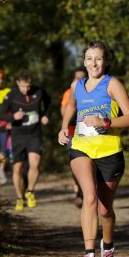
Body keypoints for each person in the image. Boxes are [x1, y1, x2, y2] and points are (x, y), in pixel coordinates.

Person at [58, 40, 129, 257]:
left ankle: (108, 246)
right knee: (89, 197)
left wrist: (106, 122)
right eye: (90, 58)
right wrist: (64, 127)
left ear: (105, 61)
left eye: (99, 58)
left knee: (105, 210)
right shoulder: (77, 85)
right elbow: (71, 106)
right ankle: (89, 256)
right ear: (84, 61)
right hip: (81, 147)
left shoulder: (112, 85)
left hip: (109, 151)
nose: (94, 63)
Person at [0, 71, 51, 212]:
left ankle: (30, 191)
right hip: (18, 135)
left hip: (34, 134)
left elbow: (49, 101)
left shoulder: (39, 91)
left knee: (35, 163)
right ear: (17, 83)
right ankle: (19, 198)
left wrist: (46, 115)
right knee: (17, 168)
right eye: (23, 86)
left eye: (28, 86)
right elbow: (1, 114)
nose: (26, 89)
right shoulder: (12, 95)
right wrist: (13, 117)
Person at [60, 68, 86, 208]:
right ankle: (79, 193)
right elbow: (64, 111)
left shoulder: (92, 90)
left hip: (90, 133)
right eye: (77, 78)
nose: (79, 81)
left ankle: (87, 192)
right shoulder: (68, 93)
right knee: (77, 163)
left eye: (82, 78)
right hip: (72, 132)